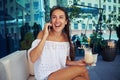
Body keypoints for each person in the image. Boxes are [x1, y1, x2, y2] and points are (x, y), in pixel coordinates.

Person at [28, 6, 90, 80]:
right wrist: (45, 36)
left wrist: (77, 63)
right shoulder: (42, 34)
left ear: (66, 21)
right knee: (82, 69)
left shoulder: (65, 37)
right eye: (54, 17)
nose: (57, 21)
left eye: (61, 17)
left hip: (61, 74)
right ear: (51, 21)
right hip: (46, 77)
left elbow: (64, 61)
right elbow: (33, 58)